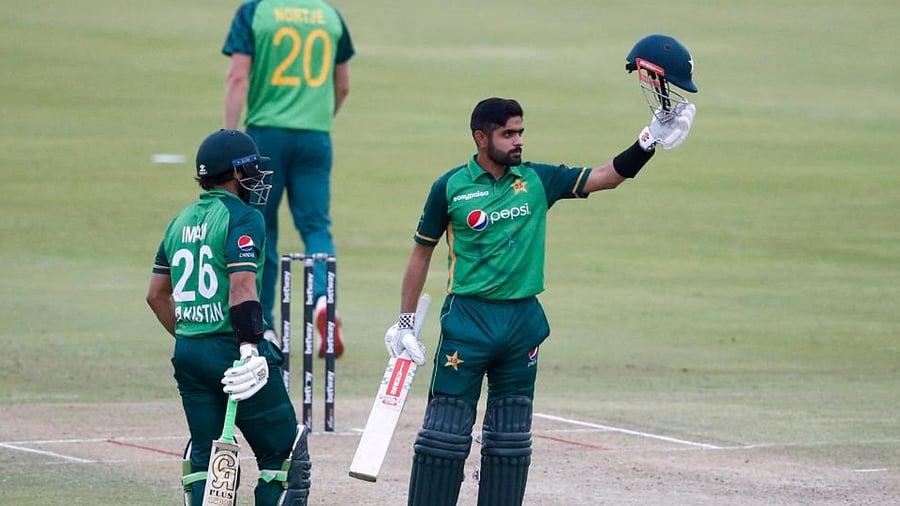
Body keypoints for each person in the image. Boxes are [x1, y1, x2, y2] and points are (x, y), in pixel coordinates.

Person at [383, 38, 697, 506]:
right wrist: (406, 323)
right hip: (468, 321)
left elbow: (605, 176)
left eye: (521, 132)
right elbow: (420, 255)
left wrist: (648, 141)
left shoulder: (536, 180)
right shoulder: (449, 188)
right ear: (481, 138)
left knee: (510, 441)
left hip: (521, 323)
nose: (518, 141)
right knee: (444, 437)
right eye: (509, 134)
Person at [146, 129, 312, 506]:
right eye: (251, 169)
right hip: (235, 351)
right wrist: (250, 348)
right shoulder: (244, 217)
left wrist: (191, 335)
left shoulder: (179, 221)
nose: (255, 176)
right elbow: (241, 287)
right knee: (282, 456)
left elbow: (155, 295)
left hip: (189, 352)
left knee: (206, 459)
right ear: (235, 173)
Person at [221, 0, 356, 358]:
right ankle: (325, 302)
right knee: (316, 227)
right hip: (315, 136)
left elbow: (238, 75)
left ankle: (264, 324)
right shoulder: (329, 15)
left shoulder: (255, 12)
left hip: (265, 136)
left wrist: (229, 138)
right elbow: (342, 85)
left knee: (260, 228)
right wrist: (319, 121)